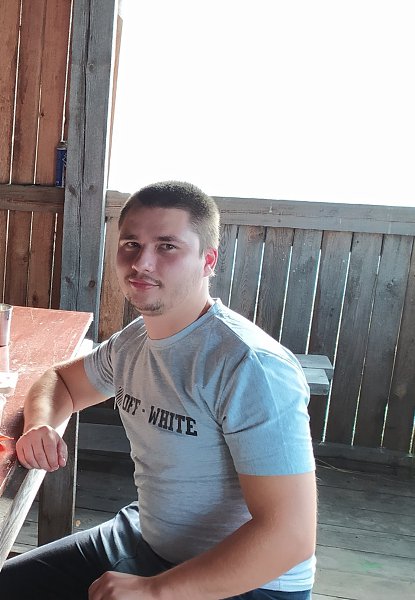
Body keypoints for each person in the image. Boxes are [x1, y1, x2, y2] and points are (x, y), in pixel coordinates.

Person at [0, 181, 317, 600]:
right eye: (131, 244)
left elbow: (290, 536)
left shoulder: (249, 365)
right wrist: (40, 425)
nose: (142, 263)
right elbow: (60, 381)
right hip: (143, 538)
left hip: (248, 582)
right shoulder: (135, 342)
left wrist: (155, 590)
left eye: (167, 246)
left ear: (208, 261)